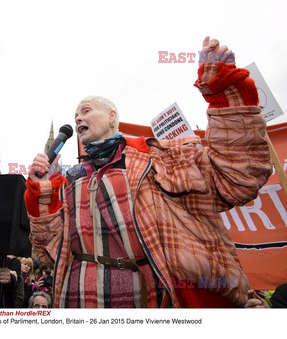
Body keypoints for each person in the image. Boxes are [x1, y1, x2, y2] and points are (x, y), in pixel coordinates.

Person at [25, 37, 273, 308]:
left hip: (151, 301)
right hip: (82, 302)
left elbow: (237, 178)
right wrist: (43, 193)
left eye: (86, 111)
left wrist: (225, 93)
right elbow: (50, 253)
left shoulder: (160, 157)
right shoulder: (71, 180)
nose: (78, 119)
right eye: (76, 116)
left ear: (112, 116)